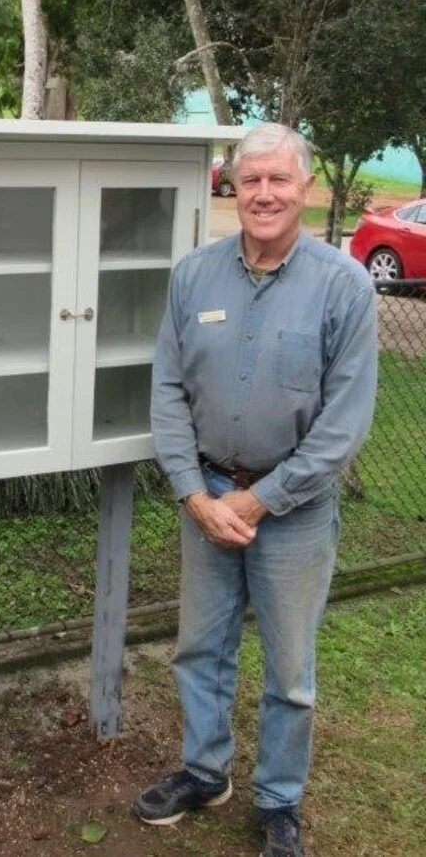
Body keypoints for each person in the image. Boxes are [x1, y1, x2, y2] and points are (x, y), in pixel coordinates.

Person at [133, 123, 377, 857]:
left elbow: (344, 424)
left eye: (279, 179)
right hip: (204, 496)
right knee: (198, 649)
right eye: (251, 180)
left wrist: (261, 500)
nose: (264, 194)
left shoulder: (344, 286)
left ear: (305, 188)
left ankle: (278, 800)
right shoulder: (193, 276)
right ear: (230, 187)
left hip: (294, 514)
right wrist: (193, 494)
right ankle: (206, 771)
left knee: (290, 668)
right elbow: (168, 391)